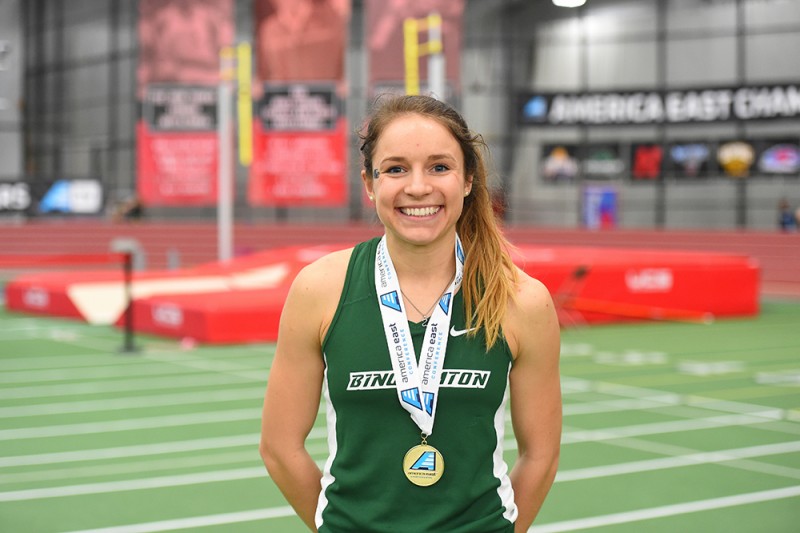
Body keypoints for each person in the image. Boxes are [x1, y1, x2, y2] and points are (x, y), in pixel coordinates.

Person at [260, 94, 562, 532]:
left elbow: (542, 455)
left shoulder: (522, 300)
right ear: (369, 183)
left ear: (468, 180)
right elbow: (279, 446)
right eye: (396, 168)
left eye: (440, 167)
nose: (418, 187)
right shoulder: (320, 290)